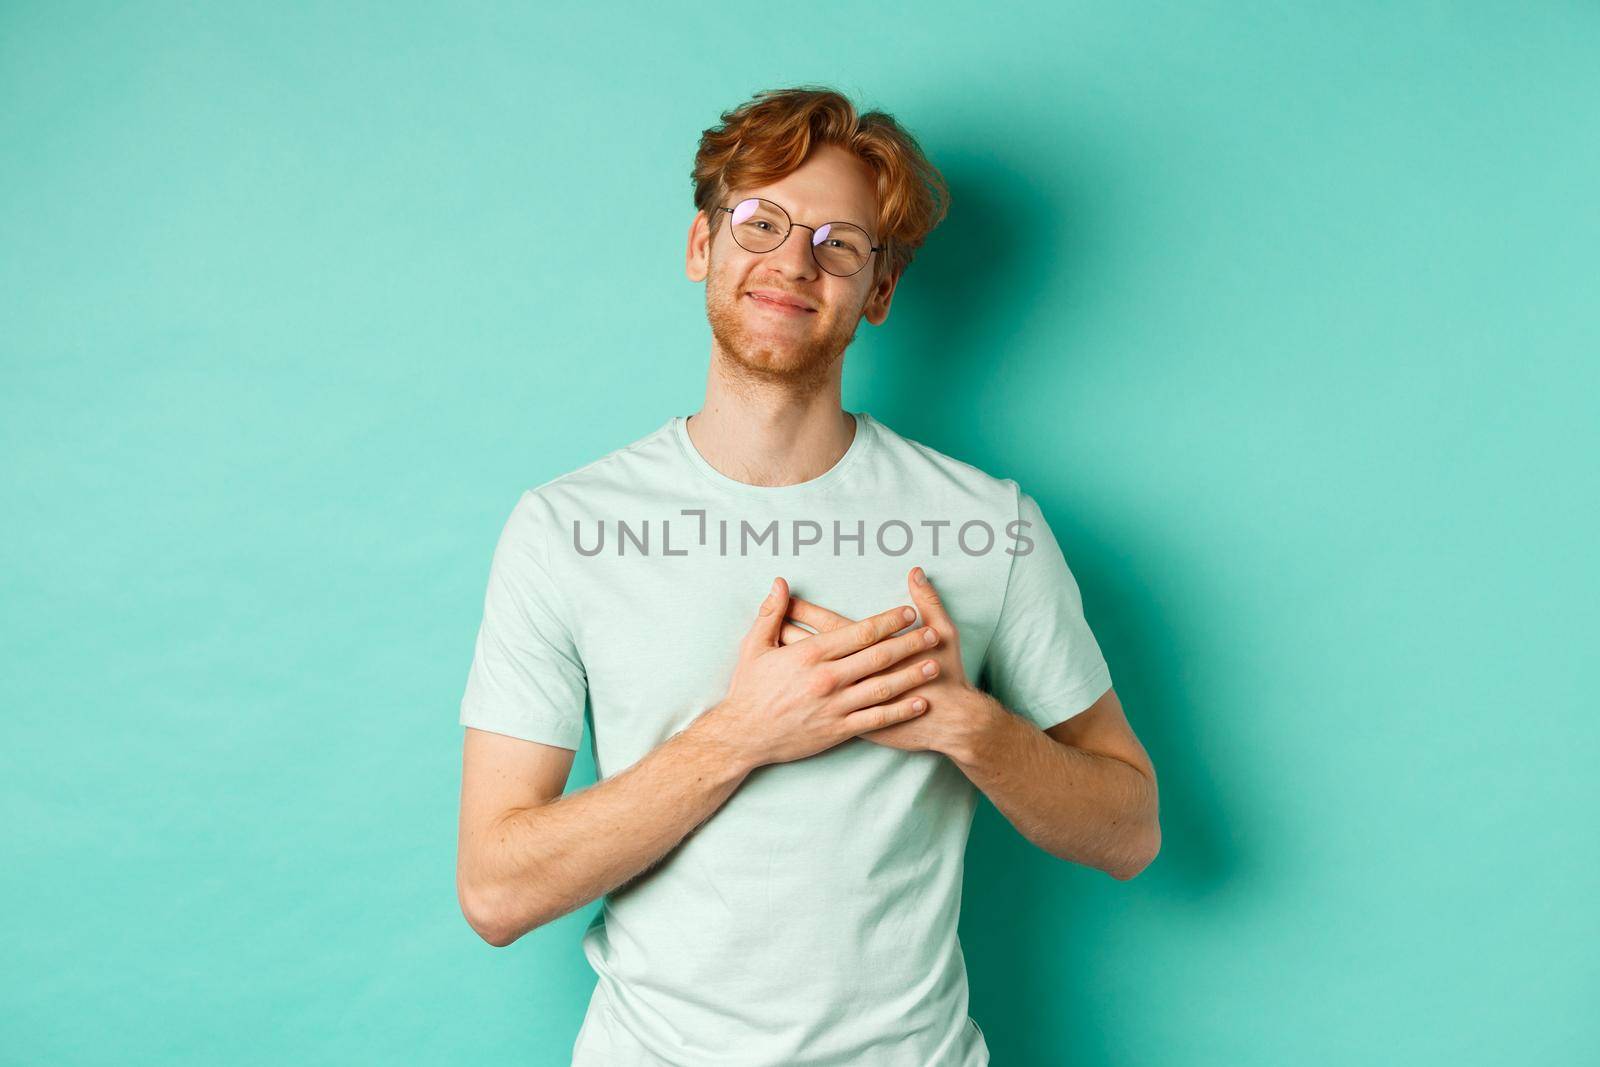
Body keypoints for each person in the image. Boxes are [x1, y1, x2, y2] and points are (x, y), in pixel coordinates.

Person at [455, 85, 1160, 1067]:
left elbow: (1129, 829)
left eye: (838, 242)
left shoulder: (987, 525)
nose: (793, 260)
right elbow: (494, 888)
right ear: (703, 245)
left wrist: (963, 722)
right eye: (761, 221)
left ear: (877, 289)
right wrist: (744, 733)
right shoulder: (565, 528)